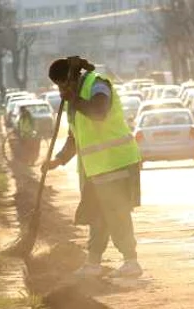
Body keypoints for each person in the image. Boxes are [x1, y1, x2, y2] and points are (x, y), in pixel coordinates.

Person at [42, 57, 143, 278]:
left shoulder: (97, 84)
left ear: (70, 78)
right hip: (97, 168)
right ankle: (93, 263)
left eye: (61, 83)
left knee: (116, 213)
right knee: (96, 215)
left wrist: (74, 100)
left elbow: (99, 112)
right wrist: (58, 160)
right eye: (57, 85)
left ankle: (130, 261)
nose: (60, 89)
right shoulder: (73, 100)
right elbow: (74, 136)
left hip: (117, 162)